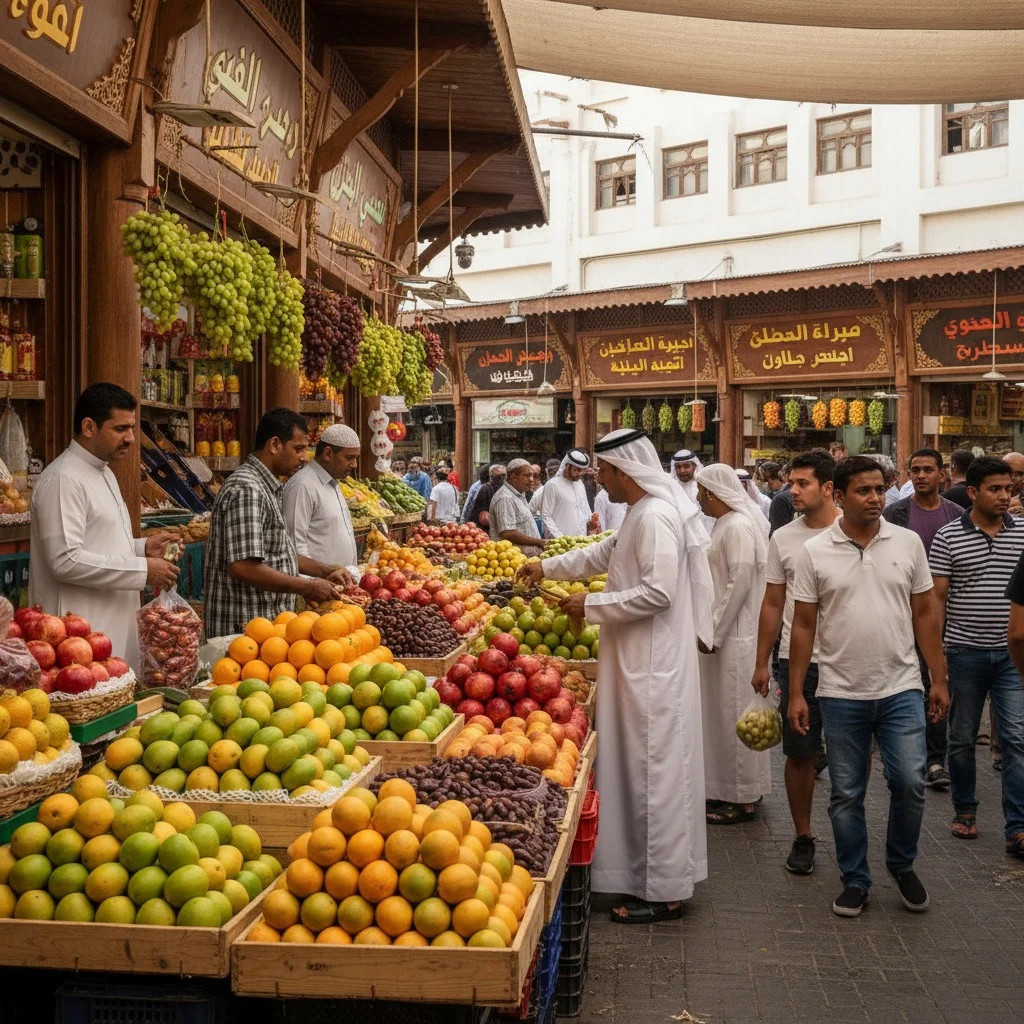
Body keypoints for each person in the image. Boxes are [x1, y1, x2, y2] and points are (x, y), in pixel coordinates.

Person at [518, 428, 713, 923]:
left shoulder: (657, 517)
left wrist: (592, 603)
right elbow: (604, 554)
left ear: (623, 471)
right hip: (636, 661)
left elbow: (658, 593)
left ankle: (663, 889)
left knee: (654, 772)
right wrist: (548, 566)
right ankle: (639, 875)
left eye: (602, 470)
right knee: (639, 769)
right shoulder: (640, 514)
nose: (597, 478)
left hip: (653, 667)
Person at [788, 455, 949, 918]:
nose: (876, 498)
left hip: (901, 686)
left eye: (880, 489)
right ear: (839, 496)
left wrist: (938, 678)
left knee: (910, 781)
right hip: (840, 692)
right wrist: (796, 692)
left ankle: (901, 863)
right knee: (846, 793)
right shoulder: (815, 551)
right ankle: (855, 878)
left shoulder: (908, 543)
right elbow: (802, 625)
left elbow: (924, 613)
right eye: (864, 490)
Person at [30, 383, 180, 671]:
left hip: (108, 630)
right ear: (89, 426)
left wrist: (143, 548)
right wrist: (144, 569)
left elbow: (99, 542)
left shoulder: (104, 472)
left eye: (133, 428)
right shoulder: (64, 479)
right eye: (120, 428)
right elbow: (64, 560)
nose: (131, 439)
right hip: (77, 638)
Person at [751, 450, 840, 874]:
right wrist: (762, 661)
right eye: (791, 482)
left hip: (851, 662)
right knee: (800, 753)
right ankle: (803, 835)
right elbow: (772, 603)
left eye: (802, 483)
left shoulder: (854, 529)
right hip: (798, 663)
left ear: (827, 488)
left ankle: (850, 832)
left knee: (850, 756)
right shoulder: (783, 537)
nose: (792, 491)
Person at [932, 458, 1024, 853]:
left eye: (1009, 489)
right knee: (962, 737)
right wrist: (937, 663)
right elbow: (937, 601)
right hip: (964, 651)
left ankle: (1017, 825)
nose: (1005, 496)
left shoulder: (1023, 535)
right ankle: (965, 810)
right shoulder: (948, 537)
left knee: (1017, 738)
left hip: (1013, 656)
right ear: (972, 492)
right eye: (995, 489)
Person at [204, 409, 350, 638]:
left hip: (268, 625)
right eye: (298, 448)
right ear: (274, 444)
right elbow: (242, 565)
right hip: (243, 629)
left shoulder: (269, 487)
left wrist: (326, 570)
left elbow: (279, 553)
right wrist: (306, 586)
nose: (304, 457)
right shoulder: (247, 488)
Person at [696, 464, 772, 824]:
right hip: (727, 634)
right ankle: (728, 790)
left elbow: (738, 584)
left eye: (701, 492)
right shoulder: (728, 524)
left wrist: (715, 631)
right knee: (723, 716)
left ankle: (741, 797)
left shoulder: (738, 526)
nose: (697, 498)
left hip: (736, 636)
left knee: (734, 716)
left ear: (713, 494)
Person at [882, 448, 962, 789]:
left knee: (937, 685)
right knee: (905, 685)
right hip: (900, 613)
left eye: (928, 469)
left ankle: (934, 760)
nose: (921, 475)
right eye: (915, 469)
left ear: (942, 474)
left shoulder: (957, 515)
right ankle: (903, 756)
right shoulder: (894, 513)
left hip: (943, 614)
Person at [282, 423, 360, 583]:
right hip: (316, 592)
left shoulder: (333, 483)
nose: (354, 465)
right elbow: (295, 548)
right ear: (328, 453)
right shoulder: (302, 486)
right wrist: (311, 587)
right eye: (349, 458)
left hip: (338, 588)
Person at [488, 459, 543, 556]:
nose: (531, 479)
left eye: (532, 476)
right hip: (512, 561)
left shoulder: (519, 494)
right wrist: (539, 542)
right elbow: (508, 533)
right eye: (527, 476)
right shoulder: (505, 498)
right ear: (514, 477)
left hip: (525, 560)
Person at [537, 449, 594, 539]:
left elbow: (585, 507)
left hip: (581, 541)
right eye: (576, 470)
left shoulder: (579, 484)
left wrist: (591, 521)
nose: (579, 474)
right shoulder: (552, 485)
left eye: (581, 471)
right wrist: (560, 538)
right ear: (567, 466)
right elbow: (546, 516)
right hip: (562, 542)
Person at [464, 464, 506, 529]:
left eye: (505, 476)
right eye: (500, 477)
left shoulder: (506, 489)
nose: (503, 479)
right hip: (484, 531)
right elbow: (483, 517)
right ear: (491, 477)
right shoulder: (486, 488)